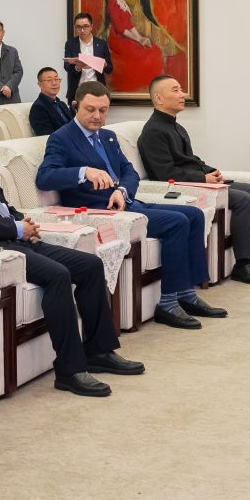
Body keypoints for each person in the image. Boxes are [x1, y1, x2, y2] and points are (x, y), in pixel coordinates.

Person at [0, 110, 139, 397]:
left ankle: (99, 351)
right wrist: (16, 229)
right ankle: (70, 370)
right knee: (58, 275)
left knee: (89, 265)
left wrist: (23, 223)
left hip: (14, 240)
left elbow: (2, 208)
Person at [38, 82, 215, 330]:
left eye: (103, 110)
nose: (97, 116)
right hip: (99, 210)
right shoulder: (61, 138)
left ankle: (187, 293)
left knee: (194, 215)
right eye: (90, 109)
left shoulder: (107, 136)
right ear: (76, 106)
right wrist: (83, 172)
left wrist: (122, 190)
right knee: (176, 222)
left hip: (127, 202)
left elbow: (129, 172)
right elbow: (45, 177)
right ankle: (167, 304)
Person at [138, 75, 250, 285]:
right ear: (158, 98)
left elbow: (190, 160)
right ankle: (242, 264)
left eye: (181, 89)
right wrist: (203, 178)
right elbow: (164, 173)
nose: (182, 94)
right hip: (181, 188)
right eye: (176, 90)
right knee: (244, 199)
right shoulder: (153, 132)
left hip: (199, 180)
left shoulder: (176, 127)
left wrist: (211, 171)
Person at [62, 11, 112, 104]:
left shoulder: (101, 44)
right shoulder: (70, 44)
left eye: (85, 26)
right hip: (77, 90)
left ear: (91, 26)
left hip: (97, 89)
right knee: (77, 113)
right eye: (78, 27)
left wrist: (104, 65)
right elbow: (66, 66)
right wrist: (77, 67)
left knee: (97, 113)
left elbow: (110, 68)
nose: (82, 30)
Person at [29, 67, 73, 137]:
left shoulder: (62, 104)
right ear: (39, 84)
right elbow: (46, 135)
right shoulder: (38, 108)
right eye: (49, 80)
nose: (54, 83)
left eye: (56, 79)